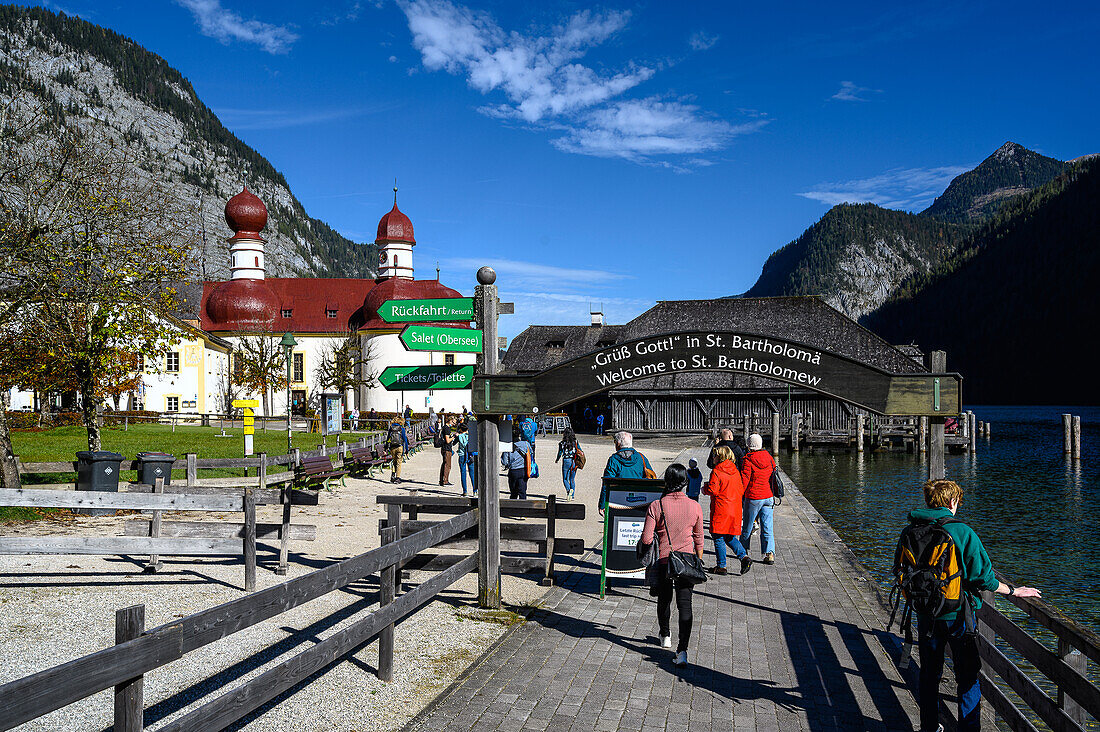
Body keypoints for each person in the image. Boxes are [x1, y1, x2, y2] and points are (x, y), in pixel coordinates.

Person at [908, 479, 1041, 732]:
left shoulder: (914, 528)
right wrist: (1013, 590)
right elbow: (984, 577)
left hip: (925, 612)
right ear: (952, 502)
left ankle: (928, 727)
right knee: (968, 677)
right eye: (957, 500)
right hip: (957, 614)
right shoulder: (962, 531)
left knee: (929, 674)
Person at [639, 464, 704, 667]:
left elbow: (647, 539)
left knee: (664, 599)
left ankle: (665, 634)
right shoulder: (695, 506)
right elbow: (699, 537)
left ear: (666, 482)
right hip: (685, 561)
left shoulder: (656, 506)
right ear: (686, 482)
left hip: (664, 560)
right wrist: (697, 559)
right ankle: (682, 650)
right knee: (685, 605)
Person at [704, 445, 751, 576]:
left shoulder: (717, 471)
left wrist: (705, 488)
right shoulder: (735, 471)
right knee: (729, 536)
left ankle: (721, 566)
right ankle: (744, 557)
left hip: (721, 508)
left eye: (714, 455)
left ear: (720, 457)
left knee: (718, 536)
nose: (713, 457)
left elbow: (713, 490)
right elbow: (741, 489)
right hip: (734, 508)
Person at [739, 433, 776, 564]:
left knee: (747, 527)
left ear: (749, 446)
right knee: (767, 527)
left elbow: (745, 480)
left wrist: (738, 495)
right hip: (768, 496)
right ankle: (769, 554)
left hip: (753, 497)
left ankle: (743, 552)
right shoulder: (770, 458)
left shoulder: (748, 460)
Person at [599, 431, 655, 513]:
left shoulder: (613, 460)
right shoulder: (641, 458)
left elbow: (607, 483)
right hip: (639, 501)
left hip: (618, 502)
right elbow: (651, 479)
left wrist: (602, 505)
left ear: (618, 443)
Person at [500, 425, 532, 499]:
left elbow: (504, 462)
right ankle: (523, 508)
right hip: (524, 470)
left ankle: (513, 508)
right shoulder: (526, 444)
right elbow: (531, 454)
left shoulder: (508, 446)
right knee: (522, 492)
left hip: (513, 471)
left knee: (513, 493)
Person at [555, 428, 579, 500]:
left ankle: (569, 491)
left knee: (565, 478)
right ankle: (573, 495)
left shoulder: (562, 443)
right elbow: (579, 450)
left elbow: (560, 453)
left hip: (566, 460)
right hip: (574, 460)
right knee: (572, 479)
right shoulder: (575, 442)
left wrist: (557, 459)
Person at [454, 422, 477, 496]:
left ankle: (465, 491)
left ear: (460, 429)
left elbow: (453, 443)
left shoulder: (459, 436)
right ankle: (475, 490)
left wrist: (456, 436)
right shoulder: (471, 436)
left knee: (463, 473)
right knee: (472, 473)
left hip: (462, 455)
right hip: (471, 455)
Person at [385, 416, 409, 484]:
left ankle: (392, 475)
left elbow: (388, 439)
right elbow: (405, 440)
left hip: (392, 447)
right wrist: (406, 450)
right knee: (399, 463)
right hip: (399, 447)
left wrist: (386, 448)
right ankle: (397, 478)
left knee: (394, 461)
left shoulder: (391, 428)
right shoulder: (402, 429)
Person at [439, 416, 454, 486]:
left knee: (444, 464)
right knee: (448, 465)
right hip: (447, 448)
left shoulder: (444, 427)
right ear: (450, 420)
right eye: (453, 422)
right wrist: (454, 437)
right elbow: (448, 440)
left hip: (444, 448)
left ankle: (442, 480)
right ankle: (445, 480)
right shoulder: (447, 429)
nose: (453, 424)